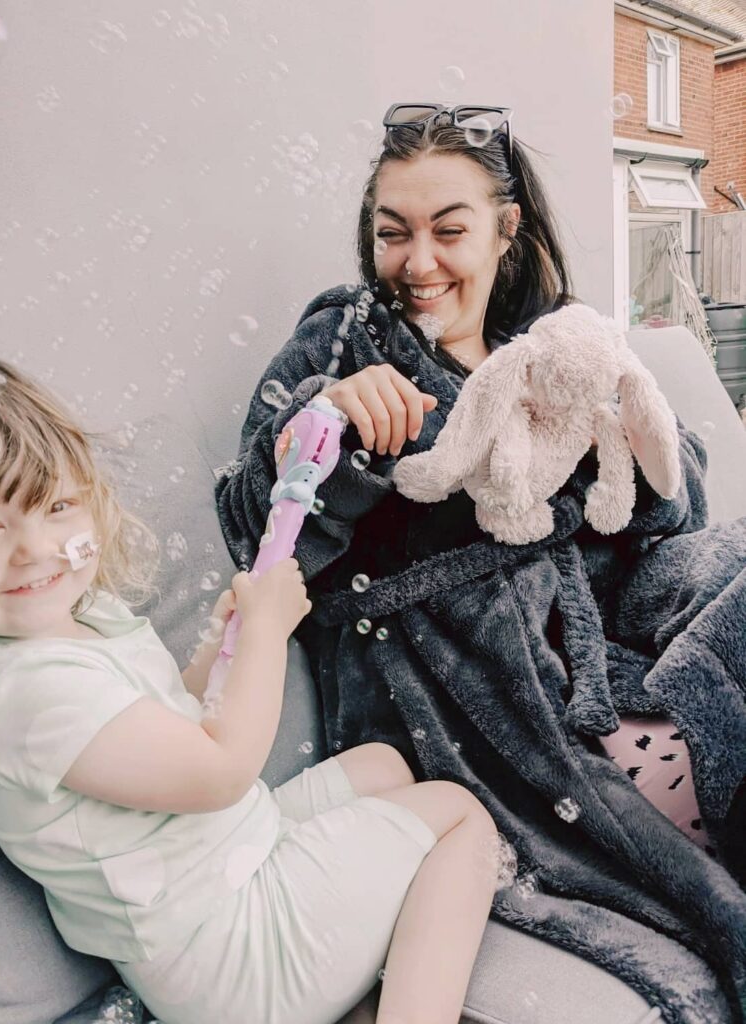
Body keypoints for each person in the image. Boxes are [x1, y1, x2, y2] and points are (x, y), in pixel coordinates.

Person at [216, 105, 746, 1022]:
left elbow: (668, 513)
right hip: (481, 695)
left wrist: (616, 431)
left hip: (620, 653)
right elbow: (254, 536)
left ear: (507, 229)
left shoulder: (555, 345)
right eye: (393, 234)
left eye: (447, 231)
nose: (417, 263)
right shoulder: (346, 341)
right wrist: (328, 425)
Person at [0, 355, 501, 1024]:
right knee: (458, 816)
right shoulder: (26, 694)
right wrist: (261, 638)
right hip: (233, 957)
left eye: (54, 507)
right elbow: (220, 770)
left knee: (383, 765)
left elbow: (172, 722)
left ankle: (368, 968)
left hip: (226, 866)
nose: (34, 550)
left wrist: (218, 649)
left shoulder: (73, 625)